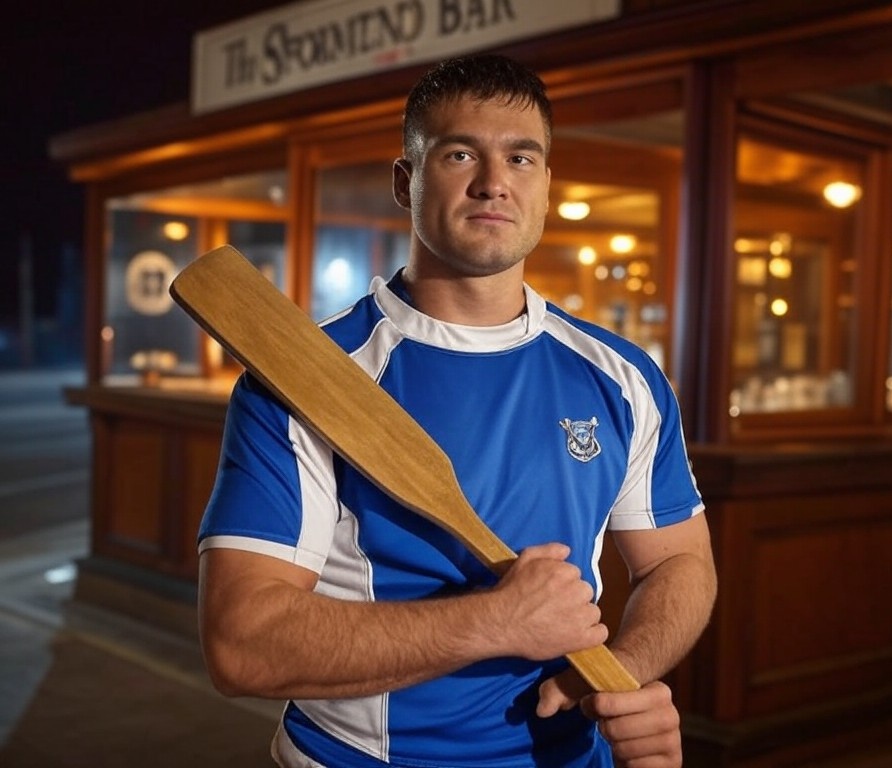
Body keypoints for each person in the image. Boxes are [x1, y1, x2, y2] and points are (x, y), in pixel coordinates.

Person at [197, 53, 717, 768]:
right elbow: (241, 643)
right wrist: (497, 621)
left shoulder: (624, 377)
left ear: (546, 186)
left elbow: (680, 561)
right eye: (460, 153)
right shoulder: (303, 381)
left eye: (521, 157)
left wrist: (623, 677)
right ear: (405, 181)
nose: (494, 181)